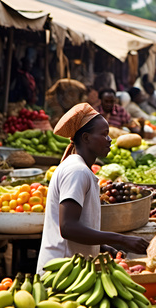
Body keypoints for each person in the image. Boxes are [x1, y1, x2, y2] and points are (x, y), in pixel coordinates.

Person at [36, 103, 149, 274]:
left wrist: (101, 247)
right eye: (104, 134)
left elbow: (78, 224)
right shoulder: (77, 171)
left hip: (73, 269)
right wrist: (122, 239)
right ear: (86, 138)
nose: (109, 139)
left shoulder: (79, 168)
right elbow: (68, 227)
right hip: (60, 271)